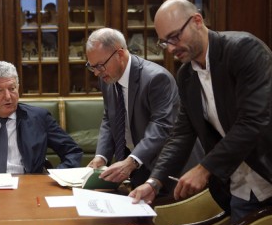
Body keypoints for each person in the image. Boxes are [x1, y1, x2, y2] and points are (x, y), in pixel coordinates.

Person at [129, 0, 272, 223]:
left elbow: (253, 121)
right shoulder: (186, 76)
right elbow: (182, 134)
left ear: (197, 21)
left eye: (174, 37)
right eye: (163, 42)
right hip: (241, 188)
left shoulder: (244, 49)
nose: (170, 48)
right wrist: (154, 182)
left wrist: (204, 168)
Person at [84, 27, 202, 189]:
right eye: (91, 67)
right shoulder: (107, 78)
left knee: (165, 213)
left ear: (119, 54)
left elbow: (161, 126)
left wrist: (132, 161)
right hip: (138, 164)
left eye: (100, 66)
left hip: (167, 166)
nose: (96, 73)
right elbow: (109, 117)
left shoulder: (156, 78)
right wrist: (101, 156)